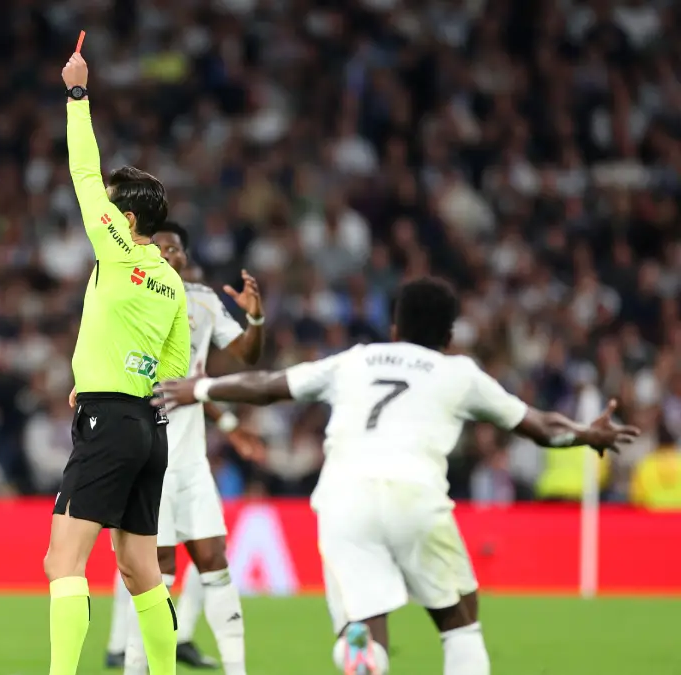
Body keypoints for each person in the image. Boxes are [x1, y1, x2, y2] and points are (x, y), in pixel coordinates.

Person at [152, 277, 639, 675]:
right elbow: (537, 425)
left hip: (342, 501)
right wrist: (584, 434)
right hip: (416, 497)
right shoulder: (459, 372)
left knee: (362, 624)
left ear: (393, 326)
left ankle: (363, 655)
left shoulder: (357, 359)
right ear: (449, 338)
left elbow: (269, 385)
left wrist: (203, 386)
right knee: (460, 623)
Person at [44, 51, 190, 675]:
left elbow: (82, 171)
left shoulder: (120, 250)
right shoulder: (173, 284)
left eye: (110, 207)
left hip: (108, 425)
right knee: (139, 569)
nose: (98, 211)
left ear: (127, 221)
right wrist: (107, 379)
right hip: (149, 432)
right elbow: (171, 372)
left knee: (62, 563)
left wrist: (78, 97)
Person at [111, 222, 267, 675]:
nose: (164, 252)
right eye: (155, 245)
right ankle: (137, 668)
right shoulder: (126, 296)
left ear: (184, 258)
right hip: (146, 458)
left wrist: (255, 318)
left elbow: (246, 355)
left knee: (214, 560)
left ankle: (237, 668)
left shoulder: (201, 300)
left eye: (173, 247)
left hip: (192, 460)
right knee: (155, 572)